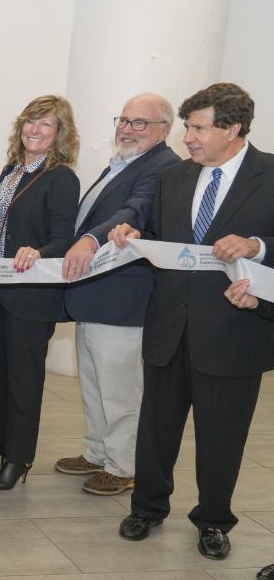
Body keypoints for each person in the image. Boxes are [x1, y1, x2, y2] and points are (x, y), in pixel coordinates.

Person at [111, 83, 274, 561]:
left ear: (233, 128)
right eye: (187, 126)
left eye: (199, 128)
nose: (188, 138)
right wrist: (136, 237)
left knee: (222, 437)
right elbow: (165, 240)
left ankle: (213, 520)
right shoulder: (175, 177)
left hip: (234, 331)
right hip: (168, 326)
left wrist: (258, 246)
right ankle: (147, 508)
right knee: (156, 429)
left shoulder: (272, 175)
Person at [56, 94, 182, 496]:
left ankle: (123, 464)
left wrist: (90, 240)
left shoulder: (164, 167)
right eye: (124, 120)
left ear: (165, 129)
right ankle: (97, 452)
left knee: (120, 390)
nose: (127, 129)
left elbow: (135, 210)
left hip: (123, 299)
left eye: (140, 123)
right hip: (94, 294)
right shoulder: (122, 163)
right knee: (94, 385)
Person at [0, 95, 80, 490]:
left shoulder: (61, 177)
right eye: (30, 122)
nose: (35, 130)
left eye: (46, 124)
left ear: (60, 133)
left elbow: (64, 237)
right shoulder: (12, 170)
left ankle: (18, 458)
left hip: (30, 294)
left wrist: (39, 252)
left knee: (24, 381)